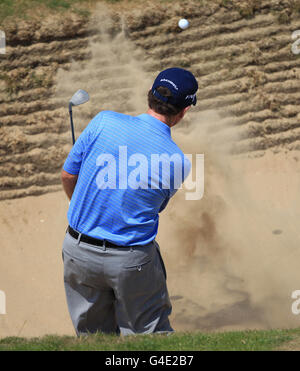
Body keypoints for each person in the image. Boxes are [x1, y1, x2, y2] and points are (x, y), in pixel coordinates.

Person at [61, 67, 198, 336]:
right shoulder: (178, 161)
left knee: (94, 338)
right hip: (130, 261)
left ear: (150, 93)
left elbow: (68, 175)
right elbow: (152, 206)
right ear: (184, 111)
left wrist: (77, 202)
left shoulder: (103, 121)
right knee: (149, 337)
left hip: (77, 251)